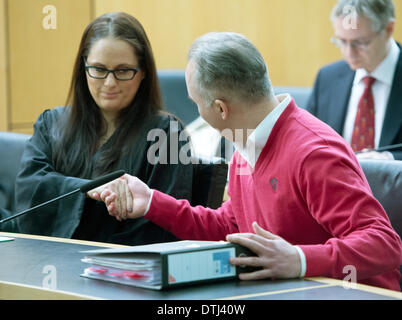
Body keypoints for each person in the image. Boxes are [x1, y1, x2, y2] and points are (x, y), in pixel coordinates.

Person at [98, 32, 402, 291]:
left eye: (196, 103)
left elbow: (384, 244)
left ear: (220, 109)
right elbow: (230, 226)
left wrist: (298, 259)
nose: (197, 110)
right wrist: (151, 201)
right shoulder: (246, 143)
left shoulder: (314, 152)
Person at [12, 12, 193, 245]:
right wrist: (90, 189)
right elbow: (30, 190)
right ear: (83, 68)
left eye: (123, 70)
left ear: (143, 72)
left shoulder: (167, 135)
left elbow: (162, 225)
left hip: (121, 270)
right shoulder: (51, 123)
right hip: (44, 258)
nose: (110, 83)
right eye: (98, 69)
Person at [307, 0, 402, 160]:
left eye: (360, 43)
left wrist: (388, 159)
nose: (349, 53)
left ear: (388, 29)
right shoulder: (327, 78)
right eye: (342, 41)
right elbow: (306, 141)